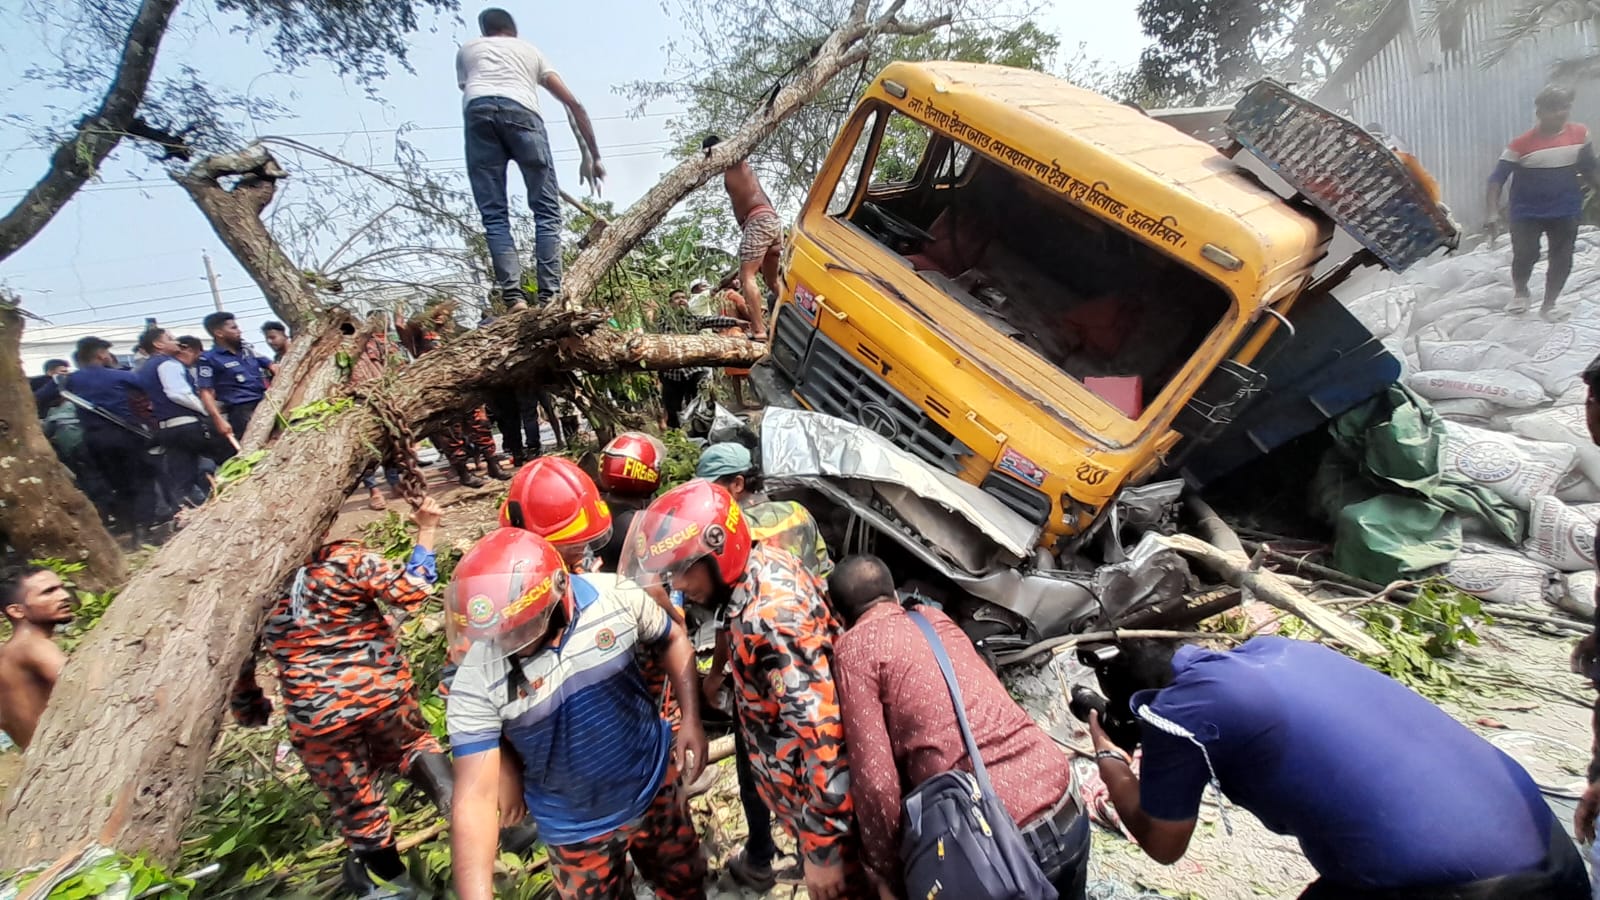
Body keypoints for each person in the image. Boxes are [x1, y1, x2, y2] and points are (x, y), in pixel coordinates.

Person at [1089, 635, 1588, 898]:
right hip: (1547, 844)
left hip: (1469, 887)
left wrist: (1109, 755)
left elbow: (1163, 844)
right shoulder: (1280, 651)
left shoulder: (1183, 712)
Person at [445, 527, 708, 900]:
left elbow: (672, 638)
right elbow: (475, 798)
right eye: (499, 636)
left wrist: (690, 718)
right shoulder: (477, 678)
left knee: (686, 883)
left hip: (654, 788)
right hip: (575, 831)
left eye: (520, 631)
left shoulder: (615, 598)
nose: (509, 645)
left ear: (558, 600)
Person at [623, 480, 857, 899]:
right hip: (798, 800)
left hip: (828, 824)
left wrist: (823, 852)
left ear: (718, 551)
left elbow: (824, 738)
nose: (678, 584)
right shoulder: (760, 566)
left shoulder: (771, 621)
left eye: (683, 569)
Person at [231, 497, 456, 899]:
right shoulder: (347, 562)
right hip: (384, 694)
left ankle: (396, 887)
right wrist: (426, 530)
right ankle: (454, 799)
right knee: (413, 746)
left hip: (317, 717)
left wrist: (250, 706)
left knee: (358, 804)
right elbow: (413, 590)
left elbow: (237, 662)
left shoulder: (250, 592)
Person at [830, 555, 1087, 898]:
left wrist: (887, 872)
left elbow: (876, 783)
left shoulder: (854, 648)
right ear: (893, 595)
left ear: (838, 616)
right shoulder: (934, 620)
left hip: (996, 849)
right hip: (1065, 800)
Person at [458, 7, 604, 305]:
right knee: (546, 211)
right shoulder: (529, 51)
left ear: (485, 29)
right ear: (513, 30)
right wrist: (593, 155)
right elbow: (574, 105)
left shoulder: (468, 50)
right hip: (523, 116)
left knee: (495, 215)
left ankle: (514, 297)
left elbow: (475, 90)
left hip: (478, 116)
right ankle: (550, 295)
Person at [1487, 84, 1600, 320]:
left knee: (1562, 257)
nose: (1561, 113)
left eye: (1565, 108)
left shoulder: (1579, 135)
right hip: (1527, 212)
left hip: (1565, 208)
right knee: (1526, 254)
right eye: (1554, 109)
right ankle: (1521, 292)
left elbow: (1589, 168)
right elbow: (1497, 179)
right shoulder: (1520, 145)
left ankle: (1549, 304)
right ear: (1540, 113)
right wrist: (1492, 212)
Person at [394, 300, 508, 487]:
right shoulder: (420, 338)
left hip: (465, 387)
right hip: (441, 393)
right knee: (450, 433)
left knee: (481, 425)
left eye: (446, 314)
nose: (442, 317)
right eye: (438, 313)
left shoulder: (455, 333)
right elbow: (401, 326)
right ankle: (464, 475)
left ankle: (493, 466)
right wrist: (400, 307)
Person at [65, 337, 162, 542]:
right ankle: (143, 531)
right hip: (125, 434)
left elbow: (40, 396)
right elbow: (148, 386)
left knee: (117, 485)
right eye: (107, 353)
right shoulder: (118, 376)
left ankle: (129, 526)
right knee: (142, 481)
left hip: (94, 439)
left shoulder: (70, 380)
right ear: (101, 354)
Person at [134, 327, 222, 510]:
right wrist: (206, 410)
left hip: (167, 428)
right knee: (224, 455)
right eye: (171, 338)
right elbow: (177, 393)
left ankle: (187, 508)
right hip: (187, 424)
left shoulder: (146, 368)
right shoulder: (168, 364)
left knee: (182, 474)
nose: (177, 342)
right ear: (158, 344)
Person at [702, 134, 778, 341]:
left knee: (747, 276)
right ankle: (788, 319)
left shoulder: (734, 163)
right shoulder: (743, 166)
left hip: (757, 220)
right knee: (773, 282)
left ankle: (759, 330)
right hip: (771, 220)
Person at [0, 565, 73, 749]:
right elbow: (91, 689)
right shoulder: (34, 647)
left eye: (60, 587)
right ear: (16, 611)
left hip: (39, 767)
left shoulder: (7, 654)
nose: (64, 595)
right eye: (48, 592)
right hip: (70, 758)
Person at [197, 311, 276, 446]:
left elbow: (273, 366)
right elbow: (206, 392)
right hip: (242, 410)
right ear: (219, 333)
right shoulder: (209, 358)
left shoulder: (247, 351)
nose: (239, 331)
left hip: (266, 402)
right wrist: (218, 420)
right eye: (233, 328)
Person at [654, 289, 711, 429]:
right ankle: (676, 438)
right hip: (672, 373)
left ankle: (701, 432)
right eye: (677, 298)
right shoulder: (664, 322)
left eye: (684, 297)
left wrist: (735, 321)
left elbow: (712, 320)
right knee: (673, 409)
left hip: (694, 369)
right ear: (670, 303)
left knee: (700, 403)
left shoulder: (692, 320)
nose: (681, 300)